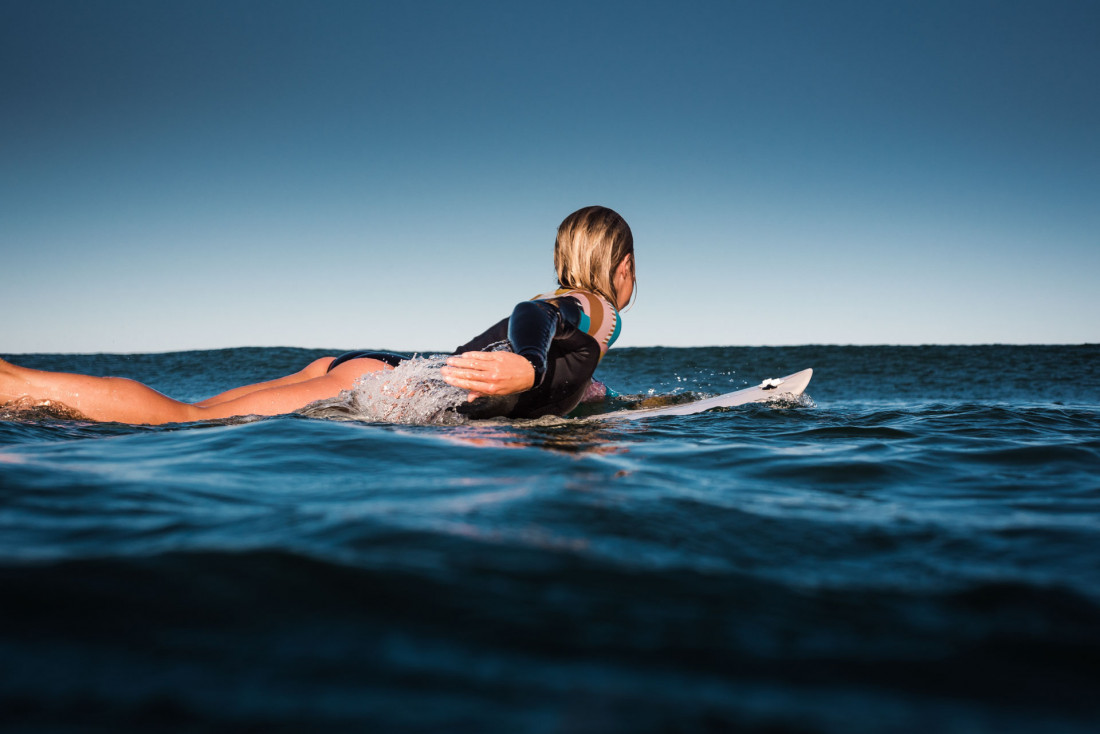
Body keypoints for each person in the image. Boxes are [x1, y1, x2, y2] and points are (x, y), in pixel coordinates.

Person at [0, 206, 635, 425]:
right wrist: (526, 369)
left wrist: (586, 395)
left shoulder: (582, 334)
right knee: (181, 418)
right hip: (391, 382)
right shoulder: (594, 307)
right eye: (635, 265)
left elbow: (561, 362)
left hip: (367, 368)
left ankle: (16, 392)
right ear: (620, 263)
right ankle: (14, 384)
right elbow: (535, 314)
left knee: (194, 412)